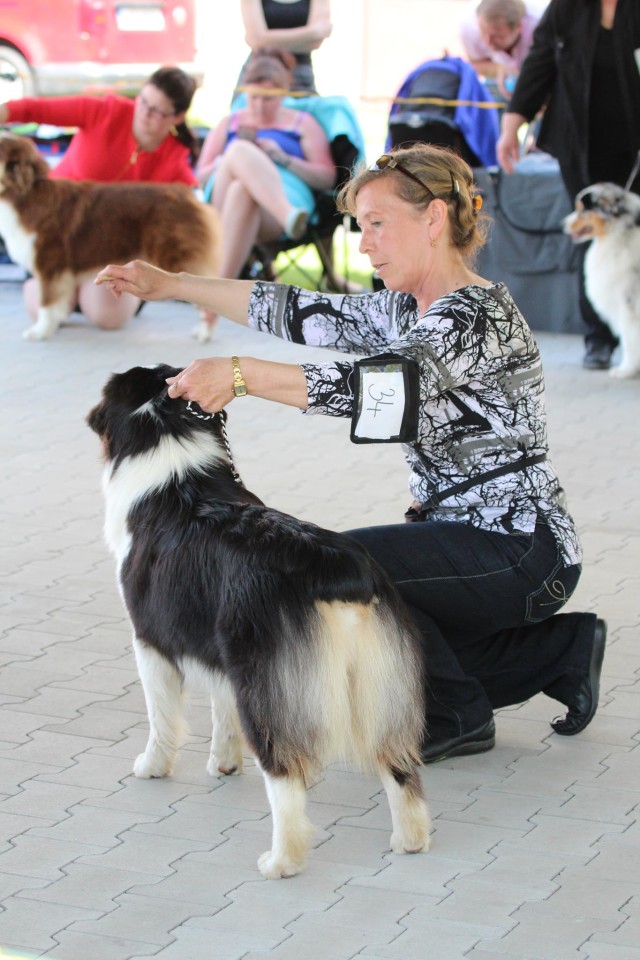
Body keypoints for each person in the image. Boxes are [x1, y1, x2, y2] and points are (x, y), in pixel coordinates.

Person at [96, 143, 606, 764]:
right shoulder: (406, 309)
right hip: (479, 541)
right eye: (360, 228)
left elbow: (383, 391)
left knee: (347, 571)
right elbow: (293, 309)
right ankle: (563, 651)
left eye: (377, 225)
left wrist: (241, 375)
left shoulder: (475, 317)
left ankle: (457, 717)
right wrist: (171, 284)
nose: (364, 244)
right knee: (376, 613)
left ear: (434, 219)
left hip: (524, 546)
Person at [496, 0, 640, 371]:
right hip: (580, 144)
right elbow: (539, 61)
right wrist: (512, 125)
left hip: (634, 144)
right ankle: (600, 337)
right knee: (590, 238)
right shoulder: (567, 7)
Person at [0, 67, 199, 329]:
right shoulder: (105, 110)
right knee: (38, 307)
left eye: (157, 111)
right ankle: (68, 294)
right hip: (53, 239)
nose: (144, 113)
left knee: (109, 318)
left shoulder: (175, 162)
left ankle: (86, 296)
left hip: (111, 255)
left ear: (178, 117)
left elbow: (184, 225)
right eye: (143, 102)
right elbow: (38, 109)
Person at [195, 50, 335, 332]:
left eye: (268, 98)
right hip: (228, 210)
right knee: (237, 152)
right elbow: (200, 176)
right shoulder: (230, 123)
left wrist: (283, 158)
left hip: (273, 206)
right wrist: (228, 161)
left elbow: (327, 176)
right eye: (253, 97)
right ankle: (288, 215)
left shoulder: (302, 124)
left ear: (284, 93)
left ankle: (213, 302)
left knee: (242, 192)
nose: (259, 106)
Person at [240, 0, 332, 95]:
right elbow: (257, 42)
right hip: (260, 72)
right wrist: (311, 33)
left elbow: (317, 41)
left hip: (301, 76)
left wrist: (266, 39)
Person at [460, 0, 541, 98]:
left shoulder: (539, 24)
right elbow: (475, 63)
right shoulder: (469, 28)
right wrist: (499, 69)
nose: (488, 42)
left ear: (519, 26)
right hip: (504, 82)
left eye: (497, 36)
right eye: (483, 33)